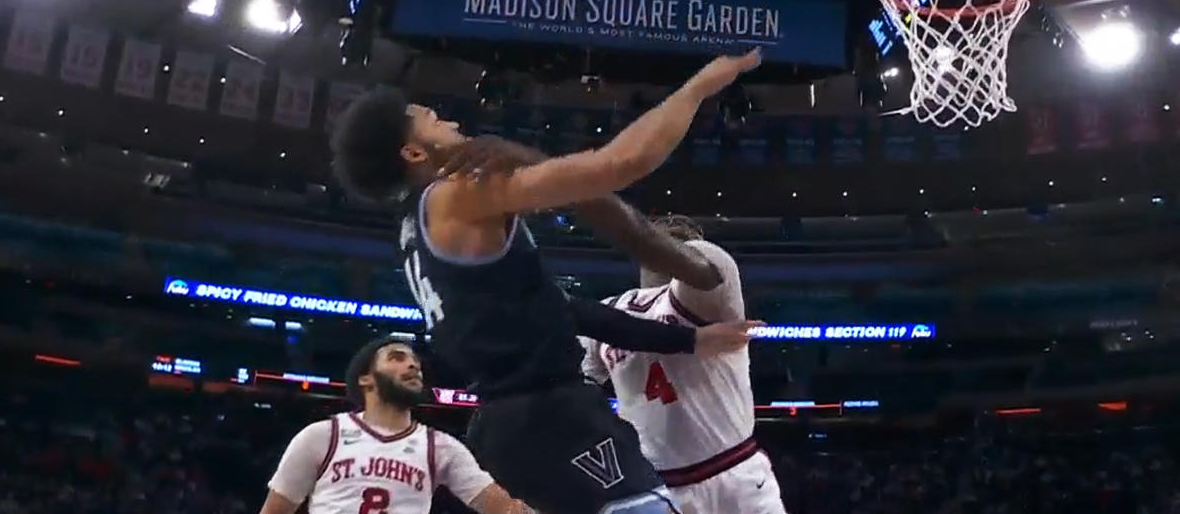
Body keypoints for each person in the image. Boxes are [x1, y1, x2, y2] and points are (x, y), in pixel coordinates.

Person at [329, 49, 763, 514]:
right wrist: (699, 86)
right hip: (552, 417)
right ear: (413, 152)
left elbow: (564, 307)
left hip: (507, 428)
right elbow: (621, 163)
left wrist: (689, 340)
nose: (447, 120)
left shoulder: (411, 230)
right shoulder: (455, 196)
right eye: (430, 117)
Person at [581, 216, 786, 514]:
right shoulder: (606, 313)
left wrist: (640, 235)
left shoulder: (704, 292)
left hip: (733, 472)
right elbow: (575, 385)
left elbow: (706, 265)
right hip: (657, 488)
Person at [261, 337, 532, 514]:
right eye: (397, 358)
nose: (414, 365)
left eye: (415, 361)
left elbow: (501, 506)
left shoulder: (440, 446)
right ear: (366, 379)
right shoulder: (321, 436)